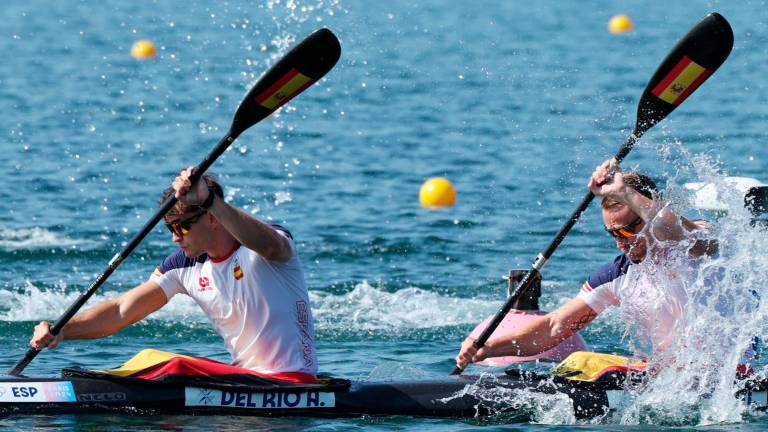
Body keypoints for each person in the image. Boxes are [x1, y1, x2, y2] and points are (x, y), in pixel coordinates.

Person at [31, 167, 318, 383]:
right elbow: (120, 311)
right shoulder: (183, 266)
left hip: (293, 382)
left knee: (173, 365)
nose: (174, 238)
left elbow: (271, 244)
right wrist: (62, 330)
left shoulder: (262, 246)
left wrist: (210, 200)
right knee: (153, 360)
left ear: (212, 218)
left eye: (181, 227)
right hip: (246, 382)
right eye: (170, 229)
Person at [456, 158, 721, 370]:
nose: (621, 243)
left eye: (627, 231)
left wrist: (624, 192)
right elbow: (554, 326)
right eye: (613, 234)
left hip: (732, 374)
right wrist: (488, 347)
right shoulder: (617, 275)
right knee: (580, 365)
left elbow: (678, 231)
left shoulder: (699, 242)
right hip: (673, 378)